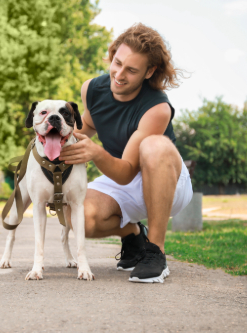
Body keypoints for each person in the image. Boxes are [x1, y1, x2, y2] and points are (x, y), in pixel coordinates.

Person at [59, 23, 193, 283]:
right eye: (117, 63)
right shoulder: (92, 89)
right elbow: (87, 127)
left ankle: (156, 252)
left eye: (131, 70)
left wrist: (96, 153)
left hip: (165, 179)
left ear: (149, 71)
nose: (119, 74)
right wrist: (54, 131)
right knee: (75, 216)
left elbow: (127, 171)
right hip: (121, 175)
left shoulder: (157, 107)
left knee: (154, 145)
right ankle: (134, 235)